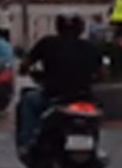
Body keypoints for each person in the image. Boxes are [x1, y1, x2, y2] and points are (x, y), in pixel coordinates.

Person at [16, 14, 102, 151]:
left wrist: (25, 69)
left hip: (53, 96)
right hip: (83, 97)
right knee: (96, 112)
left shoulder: (47, 43)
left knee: (28, 100)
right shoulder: (91, 47)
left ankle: (26, 142)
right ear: (81, 28)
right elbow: (102, 73)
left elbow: (25, 64)